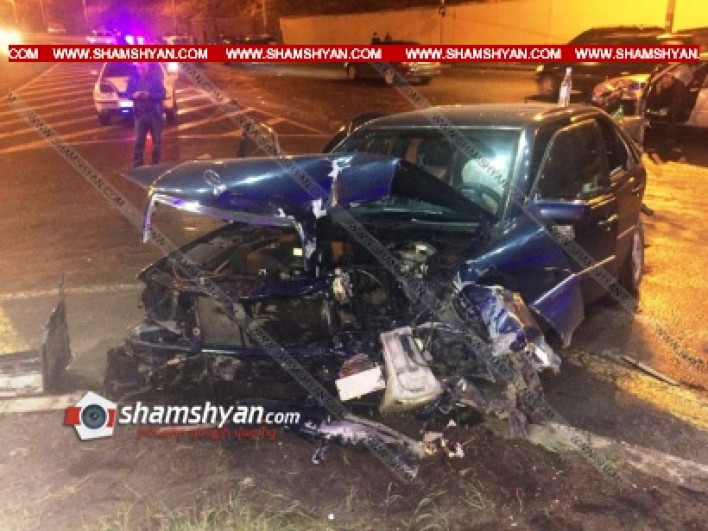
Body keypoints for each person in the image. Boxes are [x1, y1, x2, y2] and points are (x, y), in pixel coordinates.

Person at [126, 62, 166, 167]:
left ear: (148, 66)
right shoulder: (134, 79)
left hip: (154, 114)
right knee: (138, 142)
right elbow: (127, 93)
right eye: (139, 68)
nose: (141, 71)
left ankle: (155, 164)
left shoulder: (155, 78)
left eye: (143, 68)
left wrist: (150, 96)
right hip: (140, 115)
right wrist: (133, 95)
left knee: (156, 142)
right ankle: (137, 165)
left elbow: (162, 94)